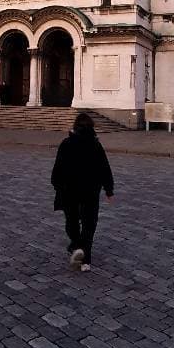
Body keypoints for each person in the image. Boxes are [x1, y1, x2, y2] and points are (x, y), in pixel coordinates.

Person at [51, 112, 114, 273]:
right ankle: (85, 261)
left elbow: (57, 170)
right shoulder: (95, 145)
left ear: (75, 126)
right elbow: (104, 168)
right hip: (90, 192)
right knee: (89, 225)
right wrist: (109, 189)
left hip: (70, 191)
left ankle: (76, 246)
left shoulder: (67, 143)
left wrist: (57, 186)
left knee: (71, 222)